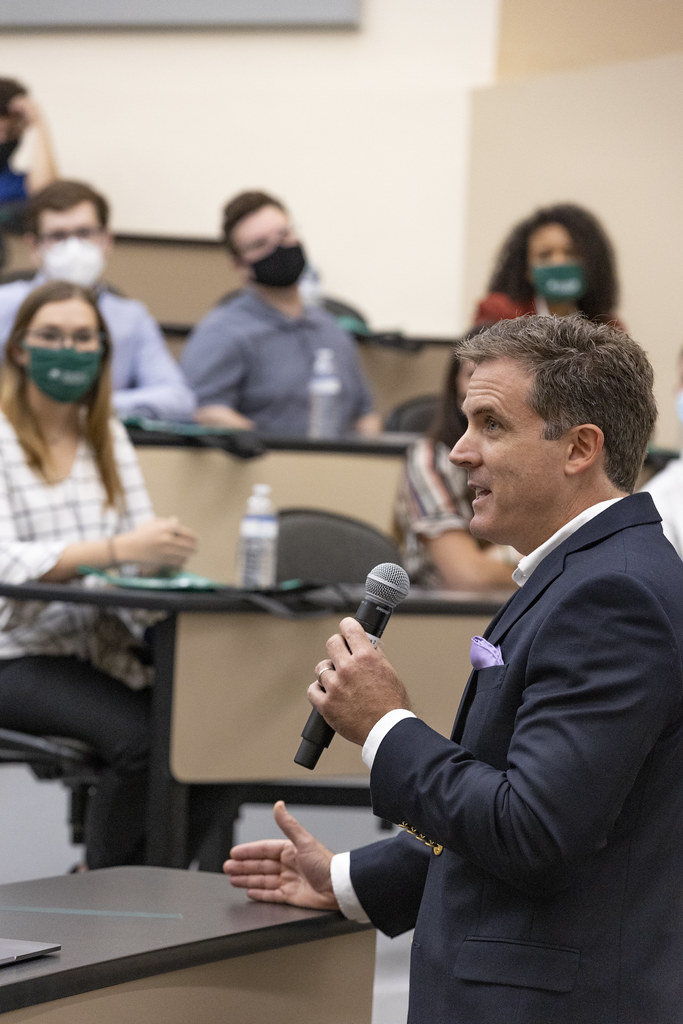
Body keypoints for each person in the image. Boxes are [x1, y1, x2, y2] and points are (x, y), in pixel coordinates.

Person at [225, 314, 683, 1023]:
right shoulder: (579, 574)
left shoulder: (610, 594)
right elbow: (533, 793)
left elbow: (531, 831)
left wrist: (385, 726)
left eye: (490, 425)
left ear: (579, 449)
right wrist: (348, 880)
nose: (458, 452)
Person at [0, 280, 197, 869]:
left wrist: (154, 554)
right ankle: (101, 889)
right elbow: (7, 563)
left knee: (208, 735)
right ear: (19, 349)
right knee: (143, 742)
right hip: (15, 653)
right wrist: (117, 549)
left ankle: (157, 877)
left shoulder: (104, 433)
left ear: (104, 350)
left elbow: (132, 548)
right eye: (52, 336)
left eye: (84, 337)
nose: (70, 348)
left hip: (98, 645)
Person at [180, 189, 381, 437]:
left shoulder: (331, 328)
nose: (278, 248)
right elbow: (205, 412)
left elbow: (366, 415)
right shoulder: (221, 332)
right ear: (239, 265)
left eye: (284, 234)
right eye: (259, 244)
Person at [0, 179, 196, 422]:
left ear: (106, 240)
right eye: (58, 236)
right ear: (34, 247)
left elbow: (177, 398)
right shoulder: (4, 305)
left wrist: (92, 406)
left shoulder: (131, 317)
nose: (73, 247)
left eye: (84, 233)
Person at [394, 351, 517, 590]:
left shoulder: (529, 454)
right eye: (473, 374)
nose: (484, 385)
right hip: (441, 610)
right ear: (456, 384)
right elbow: (467, 576)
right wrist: (536, 569)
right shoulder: (429, 457)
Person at [473, 202, 621, 327]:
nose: (559, 262)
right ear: (526, 269)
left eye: (571, 253)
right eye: (545, 255)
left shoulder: (609, 327)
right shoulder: (499, 316)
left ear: (592, 263)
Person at [0, 77, 57, 207]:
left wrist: (39, 125)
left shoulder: (18, 183)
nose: (4, 139)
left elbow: (45, 195)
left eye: (12, 132)